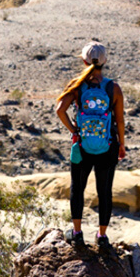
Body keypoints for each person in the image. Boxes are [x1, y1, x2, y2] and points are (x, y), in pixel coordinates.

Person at [56, 41, 125, 249]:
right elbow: (120, 120)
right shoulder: (113, 88)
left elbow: (60, 109)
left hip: (82, 145)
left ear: (83, 60)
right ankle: (102, 237)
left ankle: (77, 233)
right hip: (108, 144)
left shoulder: (77, 85)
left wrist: (74, 131)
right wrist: (121, 144)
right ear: (104, 62)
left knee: (78, 187)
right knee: (105, 190)